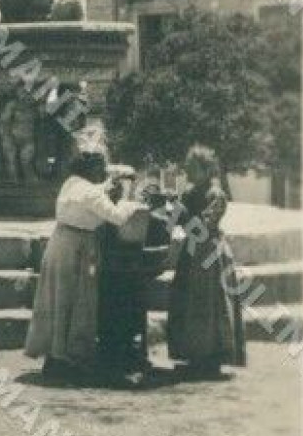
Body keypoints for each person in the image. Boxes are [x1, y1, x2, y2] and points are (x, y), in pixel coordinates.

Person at [24, 145, 146, 382]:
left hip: (59, 242)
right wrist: (128, 197)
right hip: (77, 248)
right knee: (77, 300)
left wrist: (108, 185)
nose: (103, 171)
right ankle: (70, 358)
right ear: (91, 168)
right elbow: (117, 217)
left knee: (57, 300)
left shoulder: (72, 183)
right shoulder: (92, 193)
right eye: (100, 166)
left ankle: (55, 354)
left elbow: (92, 194)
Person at [166, 145, 247, 380]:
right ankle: (193, 355)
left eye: (193, 168)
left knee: (210, 304)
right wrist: (171, 210)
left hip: (210, 253)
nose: (188, 173)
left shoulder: (216, 195)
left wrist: (182, 216)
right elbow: (172, 224)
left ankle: (211, 358)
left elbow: (204, 225)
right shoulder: (188, 193)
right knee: (188, 301)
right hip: (191, 252)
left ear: (206, 169)